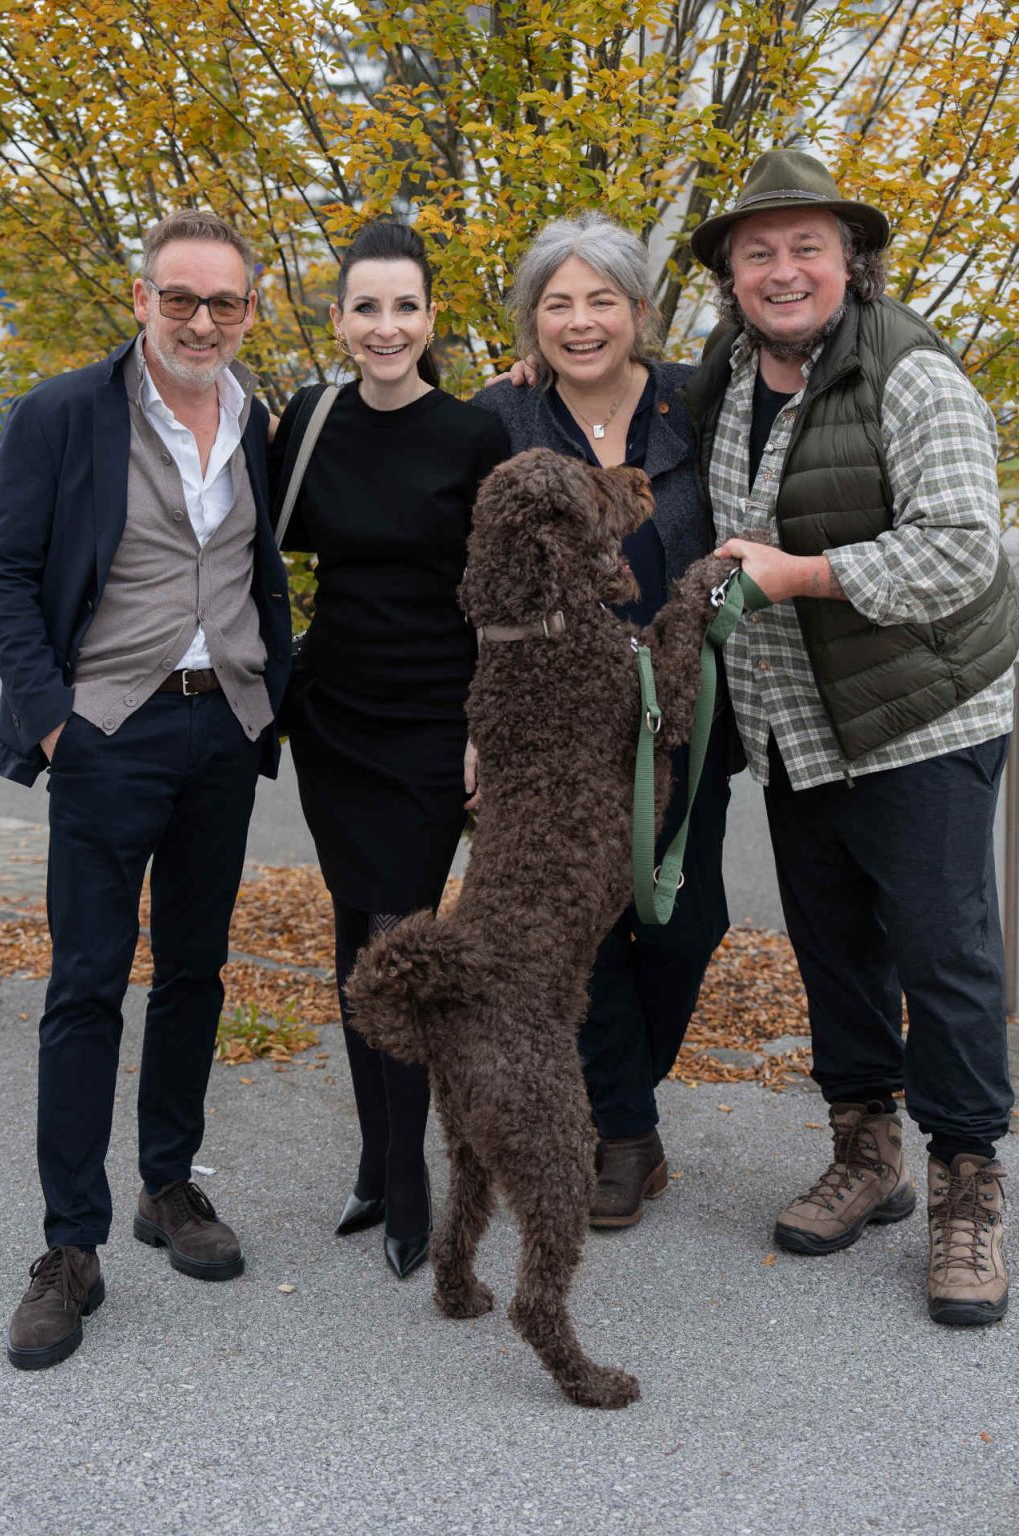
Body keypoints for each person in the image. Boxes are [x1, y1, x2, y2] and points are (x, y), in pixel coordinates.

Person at [686, 147, 1016, 1324]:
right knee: (834, 946)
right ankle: (863, 1147)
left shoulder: (912, 374)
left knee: (944, 952)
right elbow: (618, 397)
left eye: (805, 248)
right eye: (757, 252)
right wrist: (530, 376)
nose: (783, 271)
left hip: (922, 713)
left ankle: (969, 1188)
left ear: (847, 260)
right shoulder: (725, 370)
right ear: (730, 274)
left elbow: (959, 547)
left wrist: (800, 573)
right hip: (798, 723)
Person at [0, 210, 291, 1369]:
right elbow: (10, 572)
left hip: (223, 726)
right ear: (141, 300)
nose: (201, 321)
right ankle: (69, 1247)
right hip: (108, 732)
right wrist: (57, 722)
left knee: (198, 969)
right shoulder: (65, 412)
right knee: (83, 985)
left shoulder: (263, 421)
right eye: (182, 299)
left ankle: (168, 1186)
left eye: (224, 303)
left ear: (250, 311)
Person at [473, 213, 732, 1228]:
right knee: (576, 933)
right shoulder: (499, 420)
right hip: (548, 726)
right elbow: (480, 579)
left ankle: (616, 1098)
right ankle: (620, 1131)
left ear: (638, 310)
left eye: (600, 301)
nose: (580, 323)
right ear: (531, 321)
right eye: (557, 304)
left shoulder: (693, 408)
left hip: (680, 716)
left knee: (683, 919)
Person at [269, 221, 509, 1279]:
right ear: (339, 321)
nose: (384, 326)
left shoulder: (472, 435)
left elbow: (500, 598)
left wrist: (481, 728)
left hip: (428, 726)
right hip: (334, 717)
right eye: (364, 307)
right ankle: (375, 1159)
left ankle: (410, 1181)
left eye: (403, 306)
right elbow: (250, 544)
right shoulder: (309, 422)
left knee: (399, 938)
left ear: (430, 319)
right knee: (350, 928)